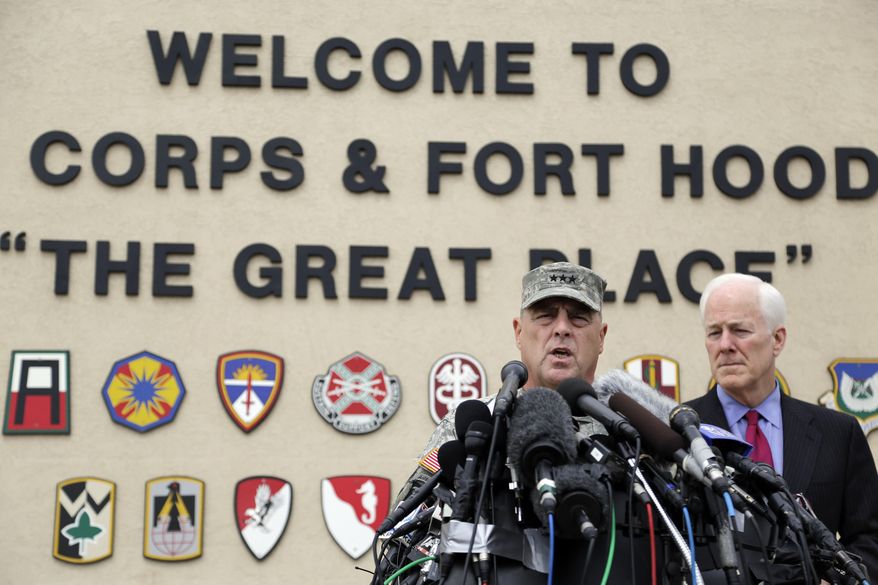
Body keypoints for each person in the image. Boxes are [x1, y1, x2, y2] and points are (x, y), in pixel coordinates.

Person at [685, 272, 878, 576]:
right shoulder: (677, 433)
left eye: (739, 330)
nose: (725, 345)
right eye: (714, 332)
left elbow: (870, 539)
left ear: (777, 339)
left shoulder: (839, 433)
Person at [397, 261, 609, 498]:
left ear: (601, 337)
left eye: (578, 318)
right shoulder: (478, 426)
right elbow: (404, 529)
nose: (561, 328)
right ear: (519, 332)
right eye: (545, 316)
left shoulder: (625, 433)